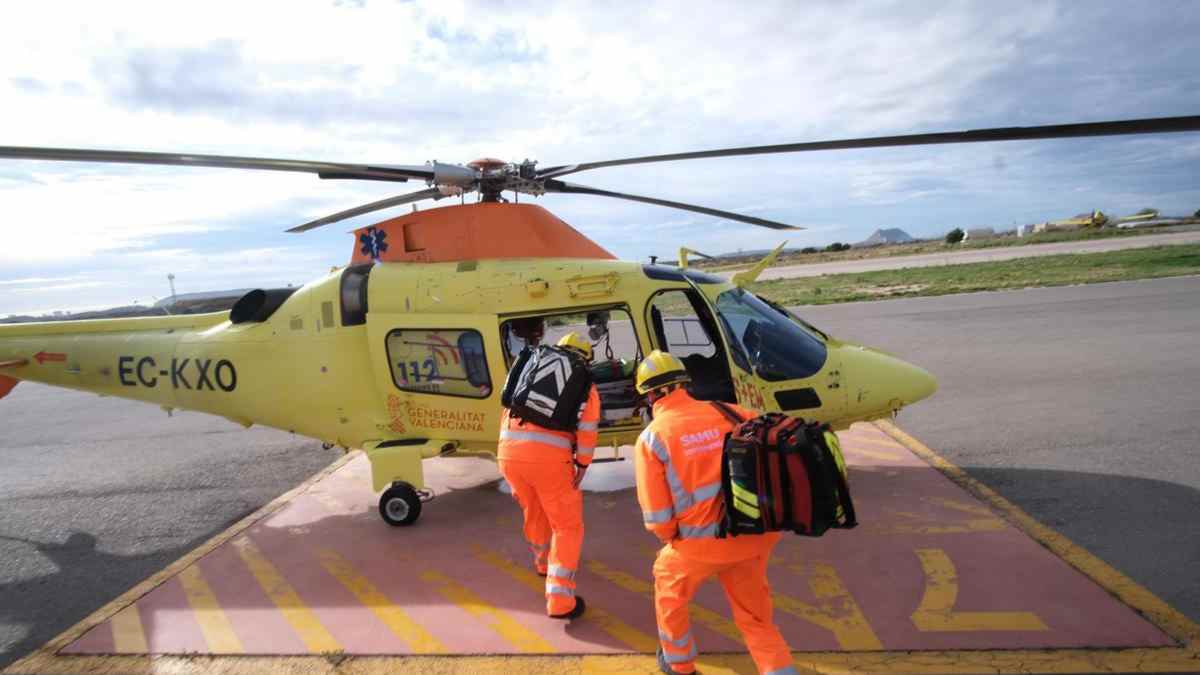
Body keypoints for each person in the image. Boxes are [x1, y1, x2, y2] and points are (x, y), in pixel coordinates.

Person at [633, 350, 796, 675]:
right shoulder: (734, 412)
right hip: (753, 537)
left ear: (650, 395)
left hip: (697, 547)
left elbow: (658, 517)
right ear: (685, 383)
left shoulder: (653, 437)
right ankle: (779, 670)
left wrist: (674, 538)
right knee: (755, 617)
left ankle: (679, 664)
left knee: (669, 589)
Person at [497, 332, 600, 619]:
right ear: (585, 359)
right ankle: (559, 599)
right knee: (567, 527)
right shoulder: (583, 382)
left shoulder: (530, 368)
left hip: (508, 454)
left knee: (535, 510)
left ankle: (543, 563)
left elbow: (507, 407)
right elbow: (588, 430)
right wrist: (582, 464)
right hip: (549, 461)